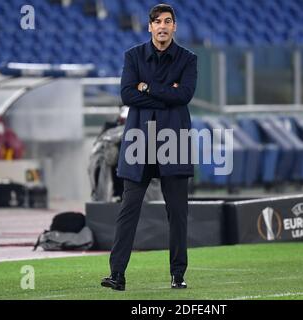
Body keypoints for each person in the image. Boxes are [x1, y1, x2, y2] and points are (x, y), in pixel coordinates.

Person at [101, 3, 197, 291]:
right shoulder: (133, 56)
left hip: (174, 142)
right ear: (150, 26)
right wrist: (168, 92)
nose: (163, 26)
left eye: (168, 21)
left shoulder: (188, 59)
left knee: (177, 213)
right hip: (139, 142)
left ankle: (178, 275)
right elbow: (127, 94)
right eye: (158, 22)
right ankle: (117, 275)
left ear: (174, 26)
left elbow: (186, 95)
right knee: (128, 209)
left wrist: (148, 88)